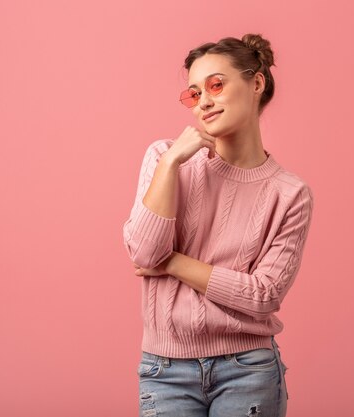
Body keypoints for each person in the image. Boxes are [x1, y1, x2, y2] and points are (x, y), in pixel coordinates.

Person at [122, 33, 314, 417]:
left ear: (255, 83)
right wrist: (171, 163)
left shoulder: (289, 194)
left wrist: (172, 262)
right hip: (165, 371)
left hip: (248, 370)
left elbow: (263, 296)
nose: (204, 101)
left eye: (216, 85)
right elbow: (143, 253)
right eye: (194, 93)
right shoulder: (165, 158)